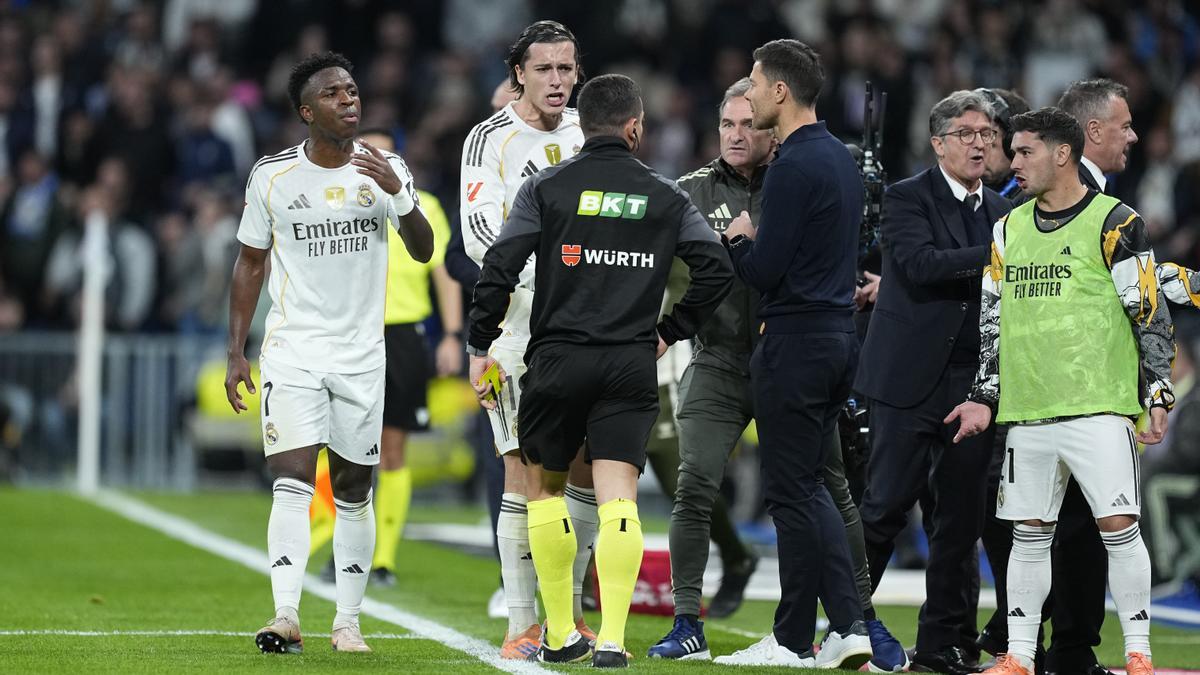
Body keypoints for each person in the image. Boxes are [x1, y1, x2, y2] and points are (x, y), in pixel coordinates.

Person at [467, 73, 734, 667]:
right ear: (635, 127)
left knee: (544, 490)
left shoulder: (546, 187)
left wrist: (480, 339)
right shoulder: (666, 196)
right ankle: (612, 638)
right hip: (629, 363)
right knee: (619, 500)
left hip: (557, 359)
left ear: (583, 126)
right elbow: (715, 267)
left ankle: (559, 632)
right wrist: (671, 330)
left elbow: (501, 262)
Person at [647, 76, 906, 672]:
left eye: (749, 125)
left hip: (791, 357)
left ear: (771, 129)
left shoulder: (798, 180)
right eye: (726, 125)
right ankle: (689, 621)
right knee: (695, 486)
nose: (737, 136)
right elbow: (654, 269)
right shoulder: (687, 192)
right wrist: (658, 329)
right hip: (719, 359)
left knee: (831, 491)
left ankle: (860, 617)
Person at [947, 106, 1173, 675]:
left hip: (1099, 407)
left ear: (1062, 153)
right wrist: (985, 395)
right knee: (1028, 534)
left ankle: (1139, 654)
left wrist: (1159, 391)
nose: (1011, 163)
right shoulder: (1007, 228)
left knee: (1118, 529)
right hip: (1028, 410)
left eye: (1023, 152)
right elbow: (993, 322)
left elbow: (1147, 309)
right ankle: (1019, 657)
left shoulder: (1116, 221)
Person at [223, 51, 434, 655]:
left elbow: (422, 250)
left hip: (363, 357)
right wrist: (237, 350)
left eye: (353, 90)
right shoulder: (271, 176)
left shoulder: (386, 167)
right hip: (293, 350)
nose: (350, 100)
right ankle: (285, 614)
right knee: (290, 479)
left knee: (353, 489)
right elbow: (250, 261)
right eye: (336, 93)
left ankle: (347, 621)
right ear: (306, 111)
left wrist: (400, 195)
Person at [713, 39, 872, 669]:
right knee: (807, 491)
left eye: (752, 83)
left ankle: (845, 624)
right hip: (837, 339)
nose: (747, 95)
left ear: (780, 91)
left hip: (795, 341)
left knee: (799, 494)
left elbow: (763, 269)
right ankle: (796, 635)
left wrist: (737, 240)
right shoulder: (839, 157)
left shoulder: (791, 167)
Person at [854, 89, 1010, 674]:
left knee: (958, 521)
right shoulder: (906, 198)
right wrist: (999, 255)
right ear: (938, 142)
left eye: (986, 134)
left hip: (971, 387)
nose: (979, 143)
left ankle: (947, 644)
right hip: (904, 381)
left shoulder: (1002, 211)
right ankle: (847, 624)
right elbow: (918, 265)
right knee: (884, 506)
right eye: (966, 133)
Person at [458, 20, 595, 659]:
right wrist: (565, 267)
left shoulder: (588, 133)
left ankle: (566, 615)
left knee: (591, 469)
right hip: (517, 328)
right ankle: (520, 624)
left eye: (566, 68)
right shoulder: (489, 140)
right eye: (544, 69)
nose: (558, 81)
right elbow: (483, 234)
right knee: (521, 470)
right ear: (518, 73)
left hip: (591, 325)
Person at [307, 128, 461, 587]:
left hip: (403, 336)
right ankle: (338, 545)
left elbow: (445, 274)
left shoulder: (423, 204)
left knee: (392, 448)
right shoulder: (336, 201)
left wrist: (452, 334)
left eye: (382, 152)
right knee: (337, 444)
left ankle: (383, 560)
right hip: (349, 331)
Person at [1024, 78, 1140, 675]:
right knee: (1058, 526)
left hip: (1080, 391)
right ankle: (1046, 645)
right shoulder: (1041, 207)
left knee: (1073, 526)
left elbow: (1130, 287)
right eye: (1124, 124)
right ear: (1092, 132)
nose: (1133, 135)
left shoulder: (1108, 207)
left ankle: (1058, 646)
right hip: (1052, 393)